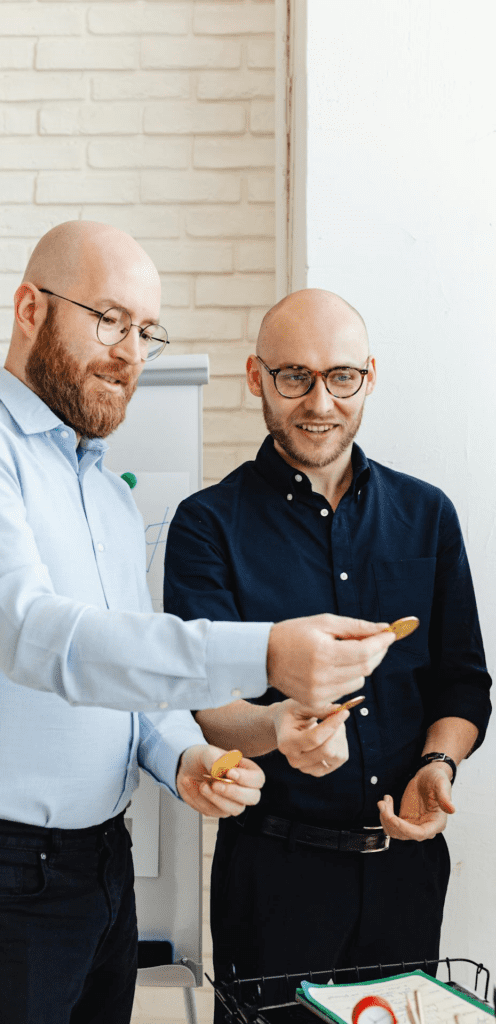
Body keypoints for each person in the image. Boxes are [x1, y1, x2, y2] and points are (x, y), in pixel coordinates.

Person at [0, 229, 395, 1024]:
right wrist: (264, 650)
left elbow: (126, 680)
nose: (130, 353)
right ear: (29, 309)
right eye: (109, 320)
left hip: (98, 865)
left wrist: (184, 755)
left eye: (146, 332)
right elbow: (38, 639)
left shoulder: (107, 496)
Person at [164, 288, 492, 1015]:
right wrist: (277, 727)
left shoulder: (426, 514)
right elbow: (207, 711)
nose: (320, 401)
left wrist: (438, 765)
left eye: (341, 376)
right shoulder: (205, 526)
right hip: (272, 874)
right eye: (293, 377)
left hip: (405, 868)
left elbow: (464, 686)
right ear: (256, 378)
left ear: (368, 377)